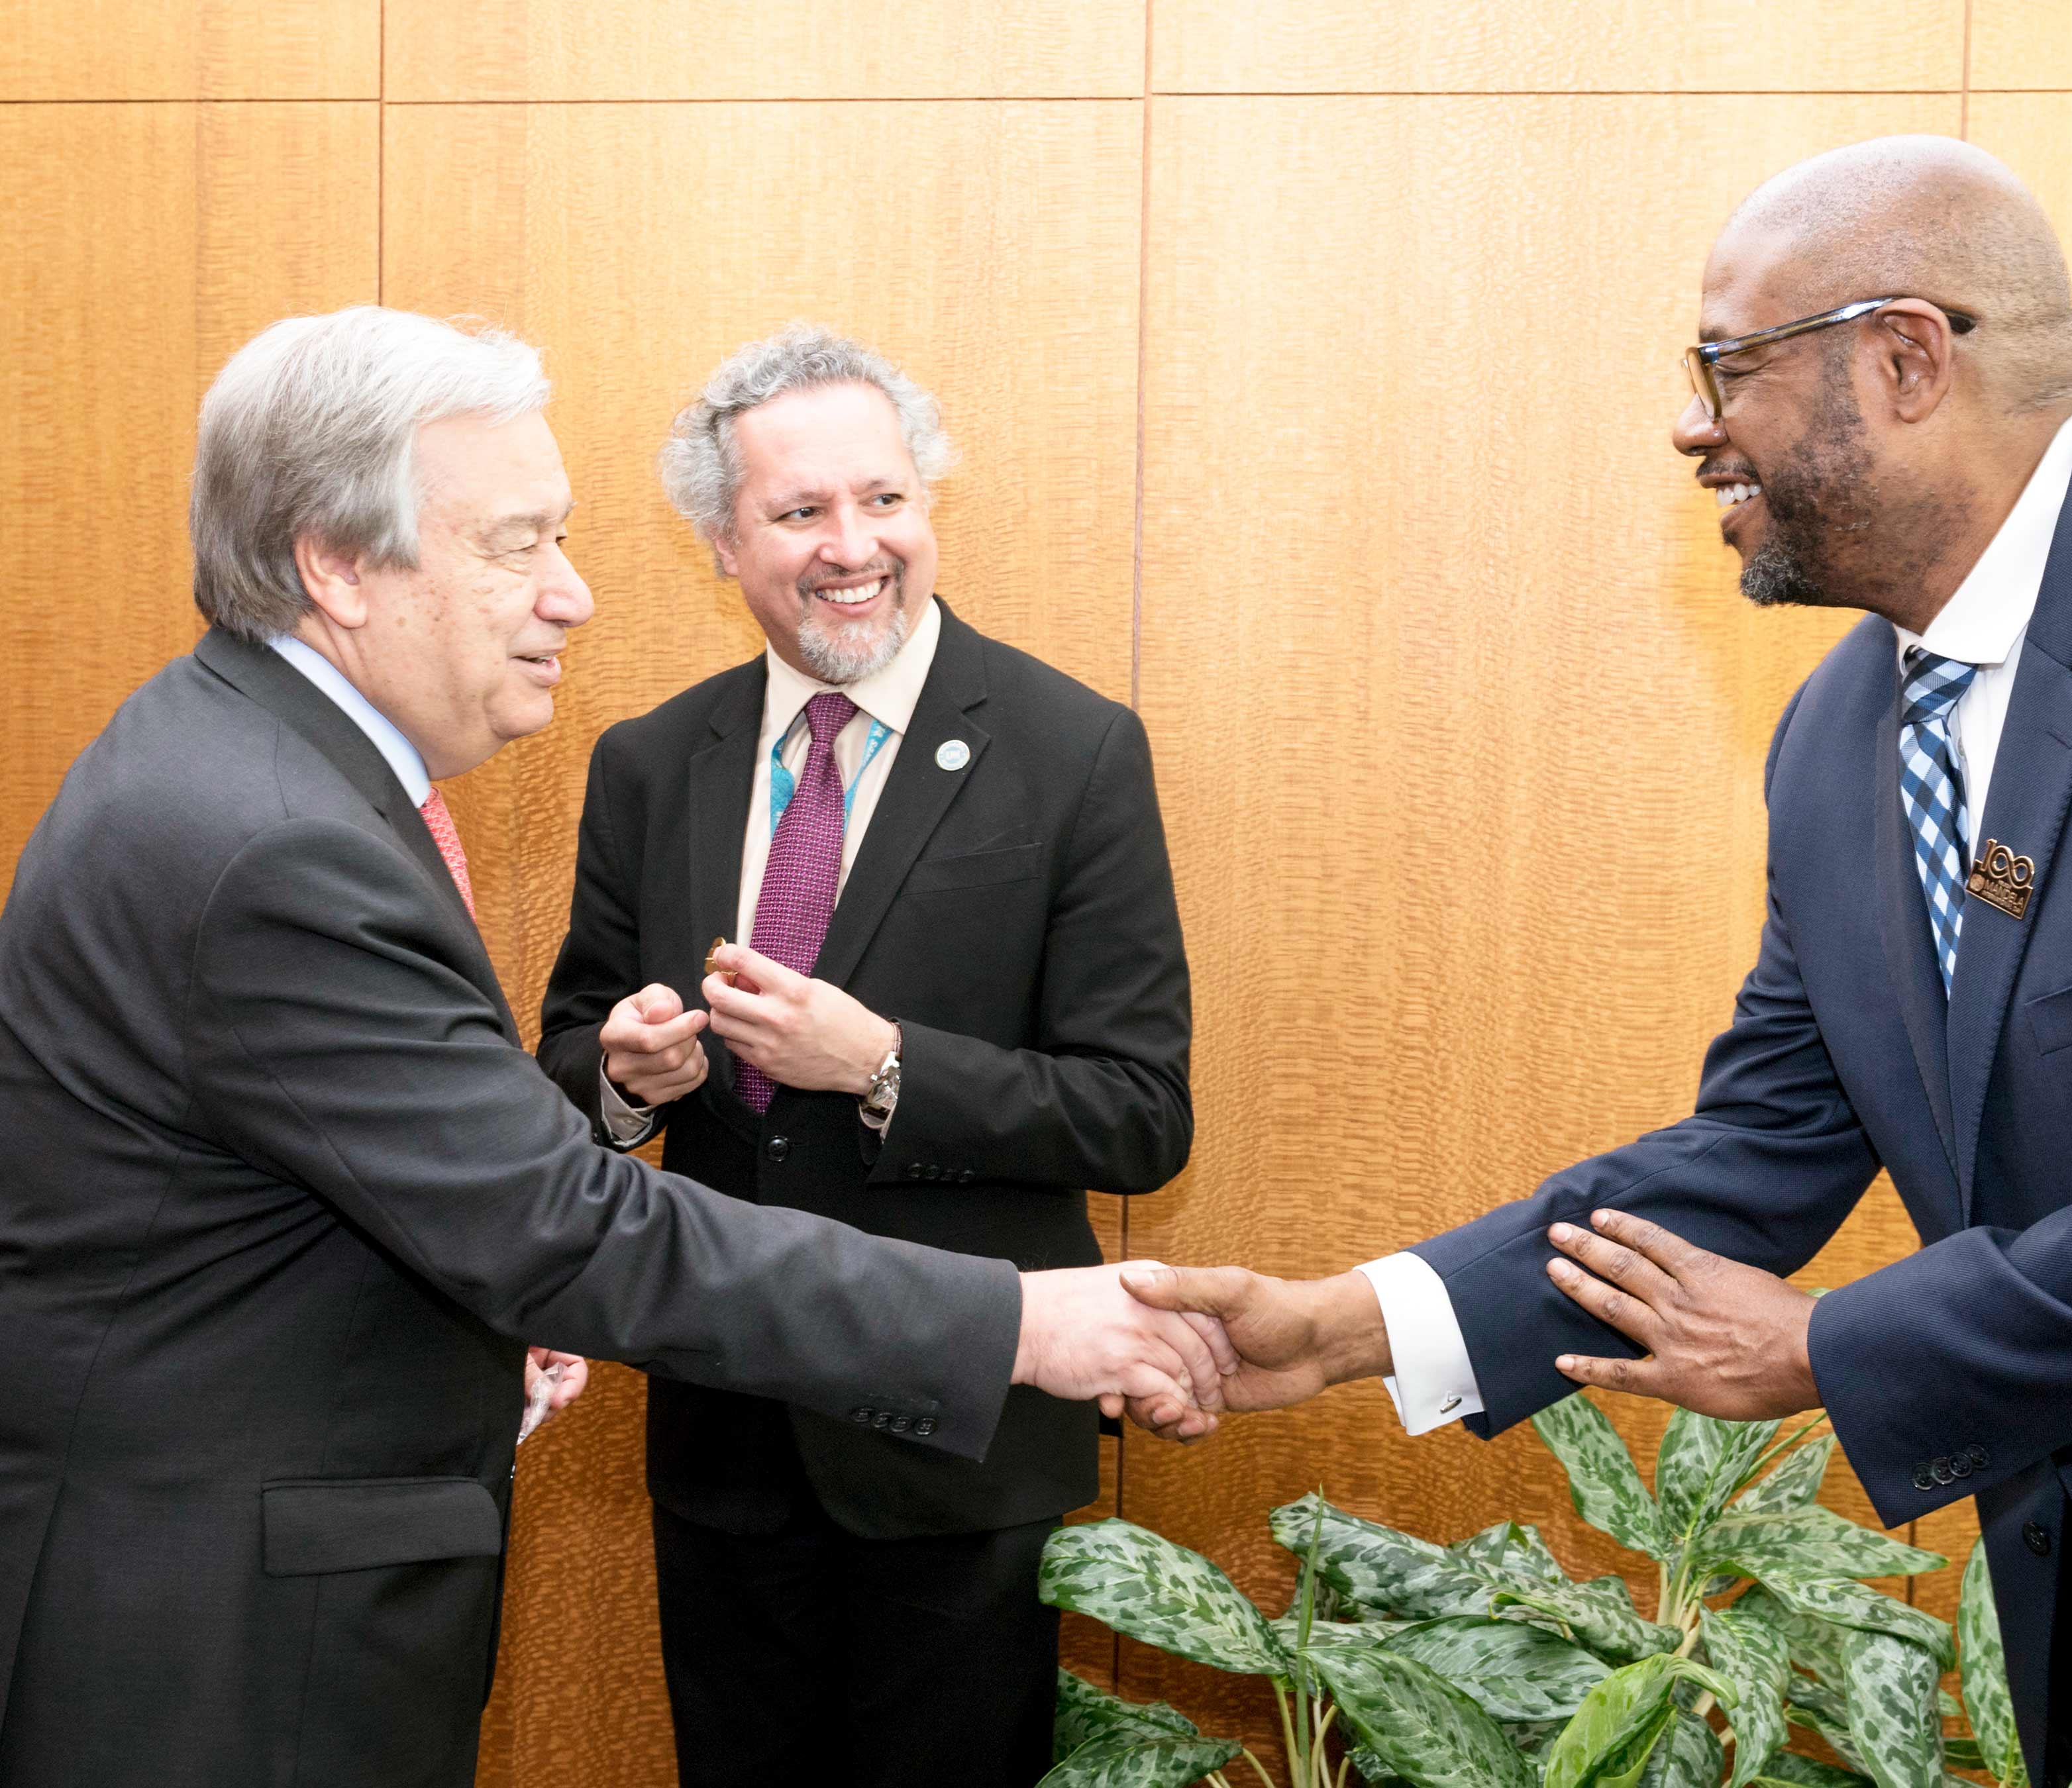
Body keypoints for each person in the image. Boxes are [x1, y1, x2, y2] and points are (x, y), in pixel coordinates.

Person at [1129, 137, 2072, 1784]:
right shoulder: (1841, 734)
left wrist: (1821, 1351)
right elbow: (1760, 1145)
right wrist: (1347, 1326)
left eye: (1726, 368)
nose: (1693, 427)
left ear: (1906, 356)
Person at [0, 307, 1223, 1788]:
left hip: (913, 1494)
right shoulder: (283, 835)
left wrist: (880, 1069)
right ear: (336, 563)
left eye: (884, 497)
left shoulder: (244, 768)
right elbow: (552, 1203)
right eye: (517, 544)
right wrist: (1020, 1324)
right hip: (222, 1626)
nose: (571, 596)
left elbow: (379, 1175)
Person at [533, 324, 1194, 1788]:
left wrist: (881, 1062)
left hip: (952, 1447)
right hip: (724, 1435)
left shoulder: (1071, 749)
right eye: (800, 512)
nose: (854, 547)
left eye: (884, 500)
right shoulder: (650, 761)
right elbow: (567, 1056)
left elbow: (1142, 1116)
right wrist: (624, 1082)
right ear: (721, 542)